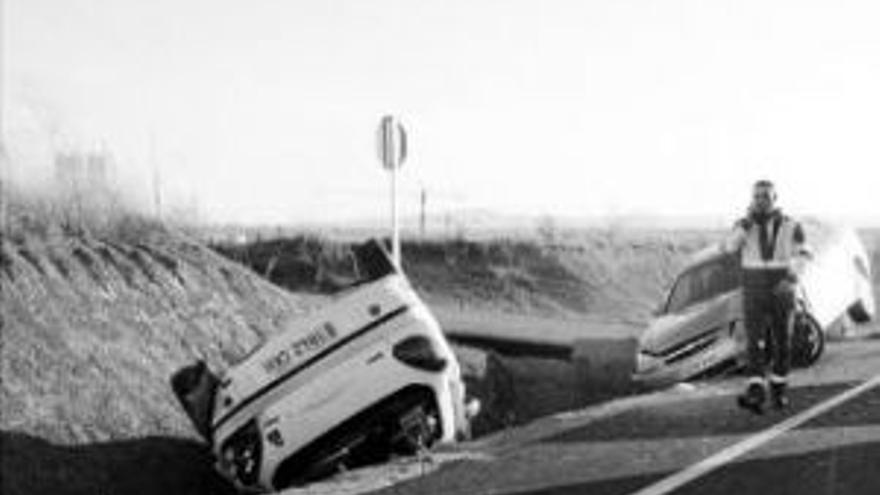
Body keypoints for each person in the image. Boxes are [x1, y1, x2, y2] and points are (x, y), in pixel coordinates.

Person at [724, 180, 810, 413]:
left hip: (782, 288)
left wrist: (791, 279)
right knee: (755, 342)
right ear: (752, 199)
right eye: (757, 196)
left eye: (766, 196)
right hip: (754, 289)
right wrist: (746, 224)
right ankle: (756, 391)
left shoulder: (791, 225)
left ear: (775, 198)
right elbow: (730, 247)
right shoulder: (742, 225)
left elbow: (804, 255)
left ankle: (779, 390)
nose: (761, 200)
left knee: (783, 342)